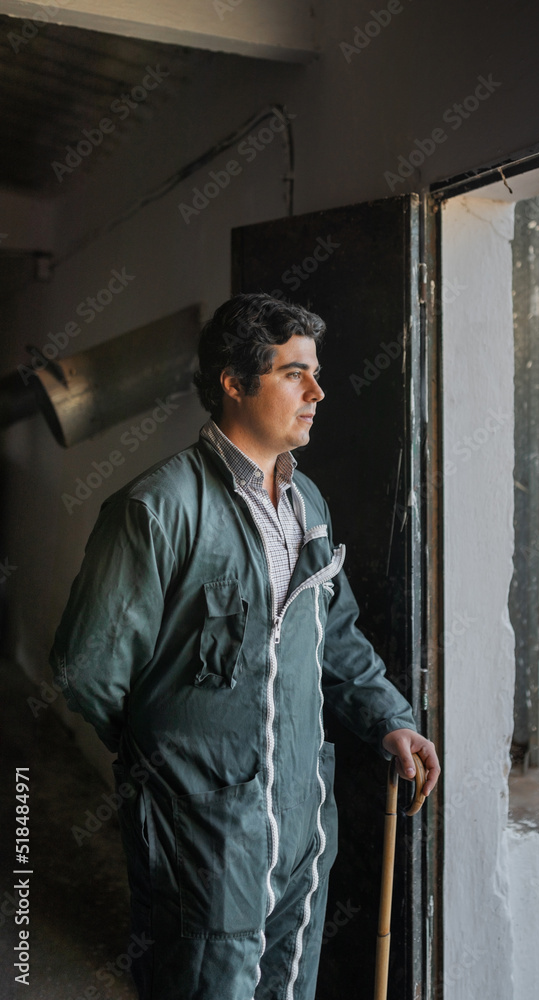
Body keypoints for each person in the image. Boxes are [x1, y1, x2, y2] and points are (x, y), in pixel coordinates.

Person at [50, 293, 440, 1000]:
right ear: (234, 381)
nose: (317, 392)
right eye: (295, 373)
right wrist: (169, 757)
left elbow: (335, 635)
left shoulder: (306, 503)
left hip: (299, 817)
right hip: (199, 827)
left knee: (287, 982)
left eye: (314, 373)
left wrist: (391, 718)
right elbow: (88, 670)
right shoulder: (158, 507)